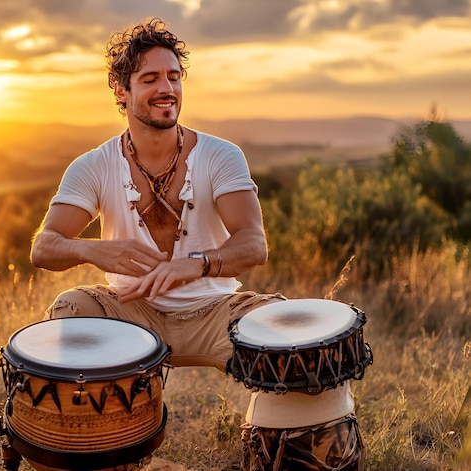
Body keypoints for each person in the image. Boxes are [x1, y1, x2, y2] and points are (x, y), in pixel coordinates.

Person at [30, 17, 364, 471]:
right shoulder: (94, 166)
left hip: (215, 311)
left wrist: (198, 264)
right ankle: (108, 454)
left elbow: (253, 243)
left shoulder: (220, 155)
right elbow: (44, 247)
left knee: (302, 344)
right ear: (120, 90)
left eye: (173, 76)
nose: (166, 88)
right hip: (131, 309)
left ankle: (279, 453)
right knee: (69, 312)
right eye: (149, 78)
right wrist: (93, 249)